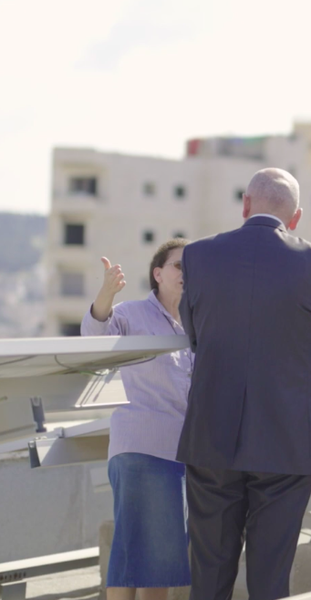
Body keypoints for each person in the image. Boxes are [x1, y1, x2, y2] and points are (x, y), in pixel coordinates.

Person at [177, 168, 311, 600]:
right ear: (296, 216)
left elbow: (194, 334)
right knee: (271, 573)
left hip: (212, 430)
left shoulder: (197, 256)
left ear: (246, 205)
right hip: (287, 435)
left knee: (209, 568)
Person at [81, 238, 193, 600]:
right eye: (178, 265)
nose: (186, 272)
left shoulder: (196, 321)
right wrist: (106, 295)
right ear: (157, 273)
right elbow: (95, 335)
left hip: (179, 453)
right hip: (143, 448)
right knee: (143, 561)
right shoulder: (134, 313)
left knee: (148, 561)